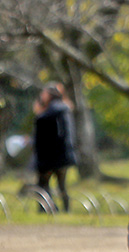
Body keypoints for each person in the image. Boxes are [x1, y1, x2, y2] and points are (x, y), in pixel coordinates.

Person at [33, 83, 77, 212]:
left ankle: (47, 208)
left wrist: (37, 111)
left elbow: (42, 126)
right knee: (62, 185)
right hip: (64, 154)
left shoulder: (52, 110)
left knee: (43, 184)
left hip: (50, 156)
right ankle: (66, 209)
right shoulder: (65, 109)